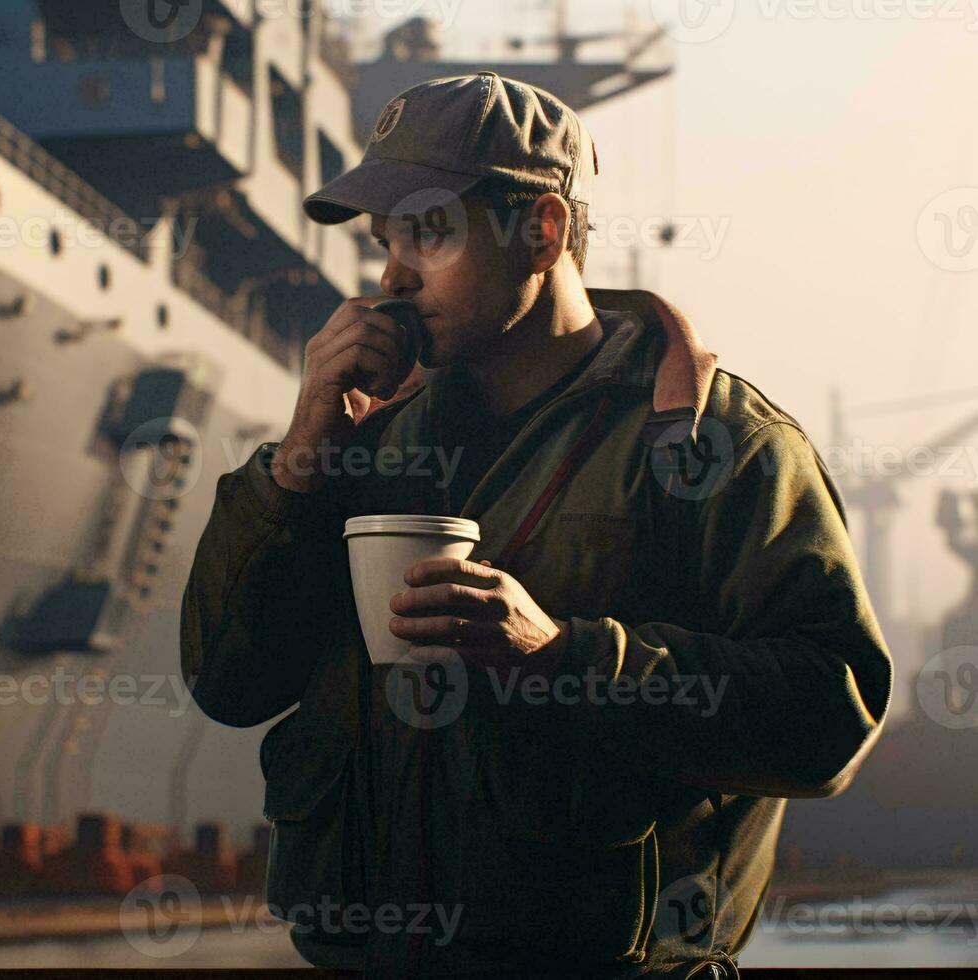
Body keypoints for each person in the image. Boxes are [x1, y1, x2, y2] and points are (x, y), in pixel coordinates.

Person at [179, 71, 891, 978]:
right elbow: (226, 684)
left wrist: (561, 656)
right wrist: (297, 461)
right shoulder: (362, 446)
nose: (390, 277)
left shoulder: (714, 446)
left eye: (427, 233)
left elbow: (833, 708)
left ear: (541, 231)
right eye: (383, 241)